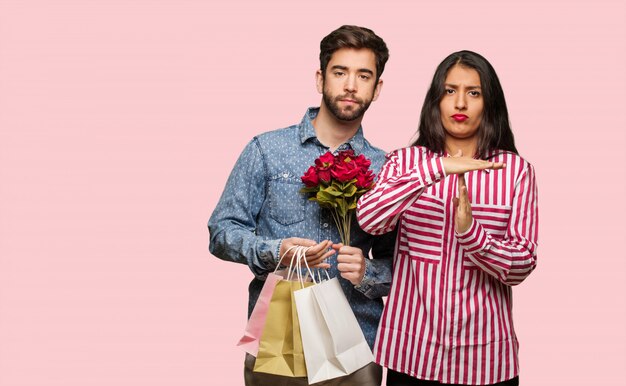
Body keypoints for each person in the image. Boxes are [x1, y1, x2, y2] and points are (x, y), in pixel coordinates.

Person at [208, 25, 397, 386]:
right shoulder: (266, 149)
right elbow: (221, 231)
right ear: (320, 78)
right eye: (340, 72)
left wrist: (368, 271)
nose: (351, 85)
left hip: (356, 342)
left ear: (378, 88)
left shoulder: (386, 169)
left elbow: (402, 266)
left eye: (363, 75)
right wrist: (275, 250)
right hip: (279, 339)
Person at [357, 51, 538, 386]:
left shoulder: (515, 171)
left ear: (489, 103)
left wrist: (472, 234)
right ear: (436, 100)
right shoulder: (404, 162)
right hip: (410, 353)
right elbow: (370, 219)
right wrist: (436, 169)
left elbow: (523, 264)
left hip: (486, 361)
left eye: (474, 93)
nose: (460, 104)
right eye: (450, 91)